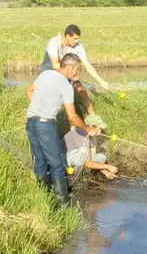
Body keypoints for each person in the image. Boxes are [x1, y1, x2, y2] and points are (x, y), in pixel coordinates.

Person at [25, 53, 101, 205]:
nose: (77, 73)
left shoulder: (45, 74)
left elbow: (29, 91)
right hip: (45, 125)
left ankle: (44, 199)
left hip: (31, 122)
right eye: (77, 69)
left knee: (39, 162)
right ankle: (64, 205)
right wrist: (88, 129)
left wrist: (41, 106)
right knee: (57, 165)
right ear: (70, 66)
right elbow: (72, 116)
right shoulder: (66, 85)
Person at [40, 24, 111, 116]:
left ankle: (94, 119)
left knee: (82, 91)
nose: (77, 41)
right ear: (67, 36)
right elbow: (56, 65)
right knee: (59, 95)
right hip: (50, 72)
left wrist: (101, 81)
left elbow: (87, 65)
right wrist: (71, 78)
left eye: (78, 38)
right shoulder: (54, 42)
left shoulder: (78, 46)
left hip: (68, 73)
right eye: (75, 38)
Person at [62, 115, 119, 180]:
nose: (100, 131)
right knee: (88, 159)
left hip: (75, 156)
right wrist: (108, 167)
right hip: (65, 160)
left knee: (101, 157)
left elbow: (92, 158)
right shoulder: (83, 136)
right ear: (91, 126)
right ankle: (77, 174)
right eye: (99, 128)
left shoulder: (89, 136)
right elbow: (88, 163)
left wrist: (106, 172)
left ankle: (86, 172)